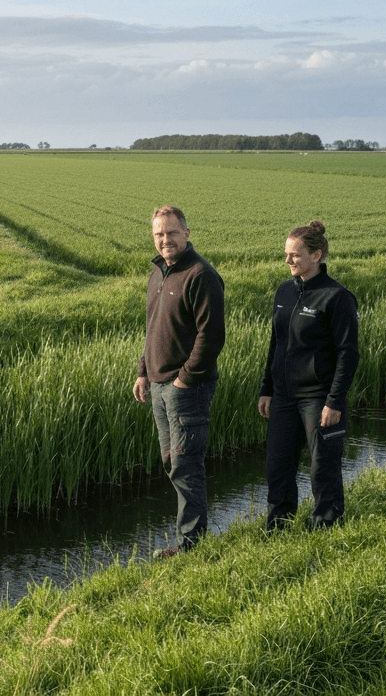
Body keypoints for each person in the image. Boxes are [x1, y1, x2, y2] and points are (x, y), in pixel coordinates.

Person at [134, 206, 225, 558]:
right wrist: (144, 371)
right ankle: (190, 540)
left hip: (186, 388)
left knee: (186, 465)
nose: (165, 240)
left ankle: (191, 546)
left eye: (171, 233)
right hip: (158, 385)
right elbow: (152, 327)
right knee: (172, 461)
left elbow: (211, 336)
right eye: (159, 234)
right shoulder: (158, 273)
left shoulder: (200, 274)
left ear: (186, 233)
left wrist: (184, 381)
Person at [258, 220, 359, 530]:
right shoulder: (285, 291)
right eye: (286, 254)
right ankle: (278, 525)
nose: (288, 260)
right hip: (284, 395)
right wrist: (267, 388)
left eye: (295, 255)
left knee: (322, 465)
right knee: (278, 464)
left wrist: (335, 401)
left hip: (318, 396)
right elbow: (276, 342)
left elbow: (348, 353)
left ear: (317, 255)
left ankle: (326, 524)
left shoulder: (336, 296)